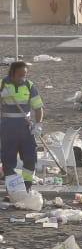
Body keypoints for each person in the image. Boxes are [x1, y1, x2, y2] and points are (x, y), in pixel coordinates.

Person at [1, 61, 43, 192]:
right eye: (20, 75)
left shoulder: (30, 86)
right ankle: (13, 189)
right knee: (8, 160)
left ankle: (26, 186)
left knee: (30, 157)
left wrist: (38, 124)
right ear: (12, 73)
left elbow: (38, 107)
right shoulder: (3, 85)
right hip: (8, 126)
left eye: (24, 74)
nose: (22, 77)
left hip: (26, 126)